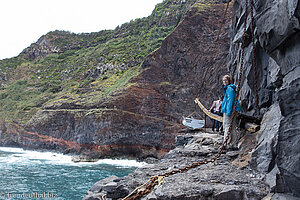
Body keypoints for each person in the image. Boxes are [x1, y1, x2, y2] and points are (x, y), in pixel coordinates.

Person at [220, 75, 241, 150]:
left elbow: (230, 100)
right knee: (232, 127)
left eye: (226, 80)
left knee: (227, 126)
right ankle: (234, 144)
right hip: (232, 110)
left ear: (229, 81)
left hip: (229, 110)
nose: (224, 82)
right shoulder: (231, 88)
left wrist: (228, 112)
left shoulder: (229, 89)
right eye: (223, 80)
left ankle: (227, 144)